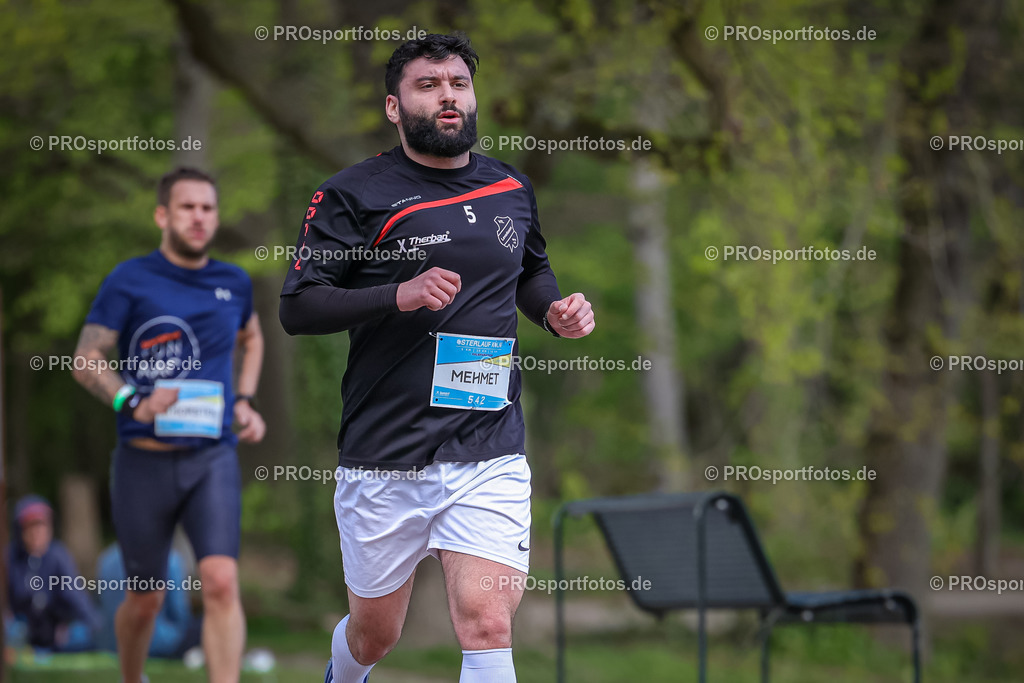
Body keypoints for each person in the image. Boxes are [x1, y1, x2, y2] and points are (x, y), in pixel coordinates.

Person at [279, 33, 595, 683]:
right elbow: (300, 307)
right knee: (374, 634)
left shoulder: (511, 186)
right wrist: (399, 293)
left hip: (487, 443)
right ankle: (344, 671)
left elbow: (531, 271)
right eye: (428, 85)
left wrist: (555, 311)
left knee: (485, 619)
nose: (447, 96)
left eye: (457, 83)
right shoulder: (354, 193)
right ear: (394, 106)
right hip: (384, 451)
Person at [72, 167, 266, 683]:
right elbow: (86, 357)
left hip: (212, 459)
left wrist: (244, 400)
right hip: (144, 465)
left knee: (222, 582)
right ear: (163, 215)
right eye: (187, 207)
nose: (199, 217)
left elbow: (254, 338)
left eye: (207, 207)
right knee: (145, 600)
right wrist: (129, 400)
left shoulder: (233, 281)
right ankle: (133, 678)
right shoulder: (129, 279)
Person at [5, 495, 99, 652]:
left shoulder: (58, 555)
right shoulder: (10, 557)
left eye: (41, 525)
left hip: (57, 630)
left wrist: (95, 624)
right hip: (23, 629)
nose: (37, 532)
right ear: (20, 530)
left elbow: (75, 595)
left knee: (81, 633)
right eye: (30, 526)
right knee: (13, 631)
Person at [96, 544, 202, 658]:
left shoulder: (105, 558)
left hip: (114, 641)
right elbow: (180, 613)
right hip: (159, 641)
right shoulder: (170, 558)